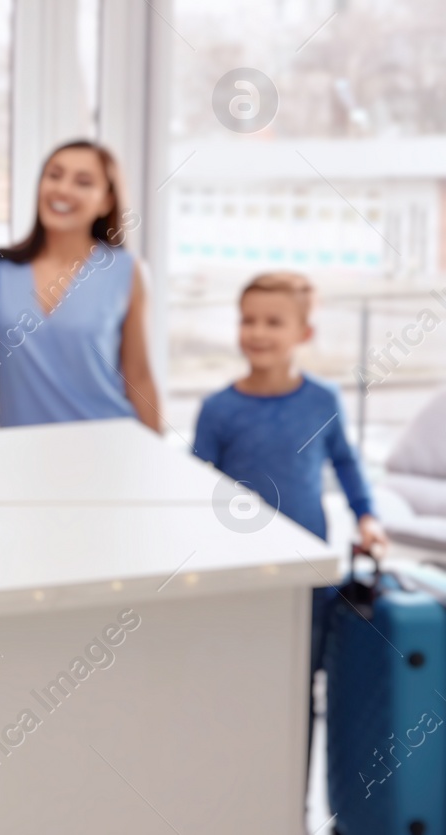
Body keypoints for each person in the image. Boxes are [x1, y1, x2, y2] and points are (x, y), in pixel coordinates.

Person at [191, 271, 388, 787]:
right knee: (241, 685)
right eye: (247, 320)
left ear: (304, 333)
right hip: (242, 577)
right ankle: (237, 792)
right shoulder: (218, 410)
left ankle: (289, 802)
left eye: (273, 322)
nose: (257, 332)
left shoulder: (322, 401)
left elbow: (345, 464)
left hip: (311, 579)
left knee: (300, 688)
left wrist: (368, 517)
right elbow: (195, 489)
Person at [0, 141, 160, 430]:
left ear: (106, 201)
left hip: (110, 444)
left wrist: (156, 456)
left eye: (83, 182)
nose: (63, 189)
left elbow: (139, 376)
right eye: (54, 175)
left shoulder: (127, 271)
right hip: (21, 449)